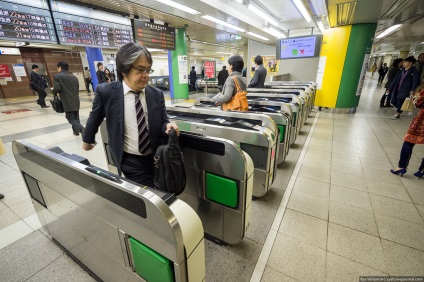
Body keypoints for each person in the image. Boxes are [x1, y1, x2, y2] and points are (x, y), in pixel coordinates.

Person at [82, 42, 179, 187]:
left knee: (160, 190)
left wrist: (168, 125)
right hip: (129, 159)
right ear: (124, 69)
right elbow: (95, 117)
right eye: (140, 70)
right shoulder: (107, 92)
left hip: (156, 156)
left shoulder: (155, 94)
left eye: (148, 70)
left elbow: (163, 120)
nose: (145, 75)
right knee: (150, 194)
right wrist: (87, 139)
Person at [390, 85, 424, 178]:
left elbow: (417, 103)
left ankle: (401, 167)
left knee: (408, 142)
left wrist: (415, 96)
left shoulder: (422, 91)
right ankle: (422, 170)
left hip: (421, 122)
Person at [52, 61, 84, 136]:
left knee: (70, 118)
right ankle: (76, 132)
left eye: (57, 68)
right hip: (76, 100)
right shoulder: (74, 77)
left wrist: (53, 91)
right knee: (75, 117)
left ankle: (83, 130)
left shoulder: (58, 76)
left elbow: (57, 88)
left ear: (59, 67)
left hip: (67, 101)